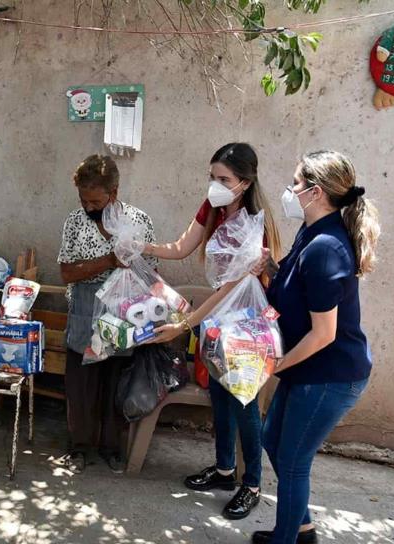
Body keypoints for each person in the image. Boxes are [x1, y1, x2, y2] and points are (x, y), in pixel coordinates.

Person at [142, 143, 281, 520]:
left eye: (223, 179)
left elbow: (231, 289)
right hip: (218, 320)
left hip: (246, 324)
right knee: (219, 397)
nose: (214, 185)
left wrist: (185, 324)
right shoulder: (213, 208)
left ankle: (251, 483)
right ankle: (223, 471)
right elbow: (182, 246)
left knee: (245, 403)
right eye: (212, 177)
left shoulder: (255, 225)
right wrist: (140, 246)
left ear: (244, 182)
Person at [251, 150, 379, 544]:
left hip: (329, 374)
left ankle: (287, 540)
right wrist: (267, 267)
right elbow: (293, 287)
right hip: (307, 368)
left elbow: (324, 333)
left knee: (292, 463)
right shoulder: (312, 231)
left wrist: (277, 365)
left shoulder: (326, 247)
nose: (289, 191)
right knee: (273, 442)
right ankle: (301, 529)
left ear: (315, 192)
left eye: (295, 184)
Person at [57, 154, 156, 473]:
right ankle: (79, 446)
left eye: (95, 200)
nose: (88, 207)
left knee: (117, 382)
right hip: (85, 310)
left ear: (113, 192)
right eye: (83, 200)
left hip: (123, 312)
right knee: (81, 384)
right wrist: (108, 262)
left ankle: (113, 447)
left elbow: (151, 275)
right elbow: (67, 273)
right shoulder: (75, 222)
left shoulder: (139, 221)